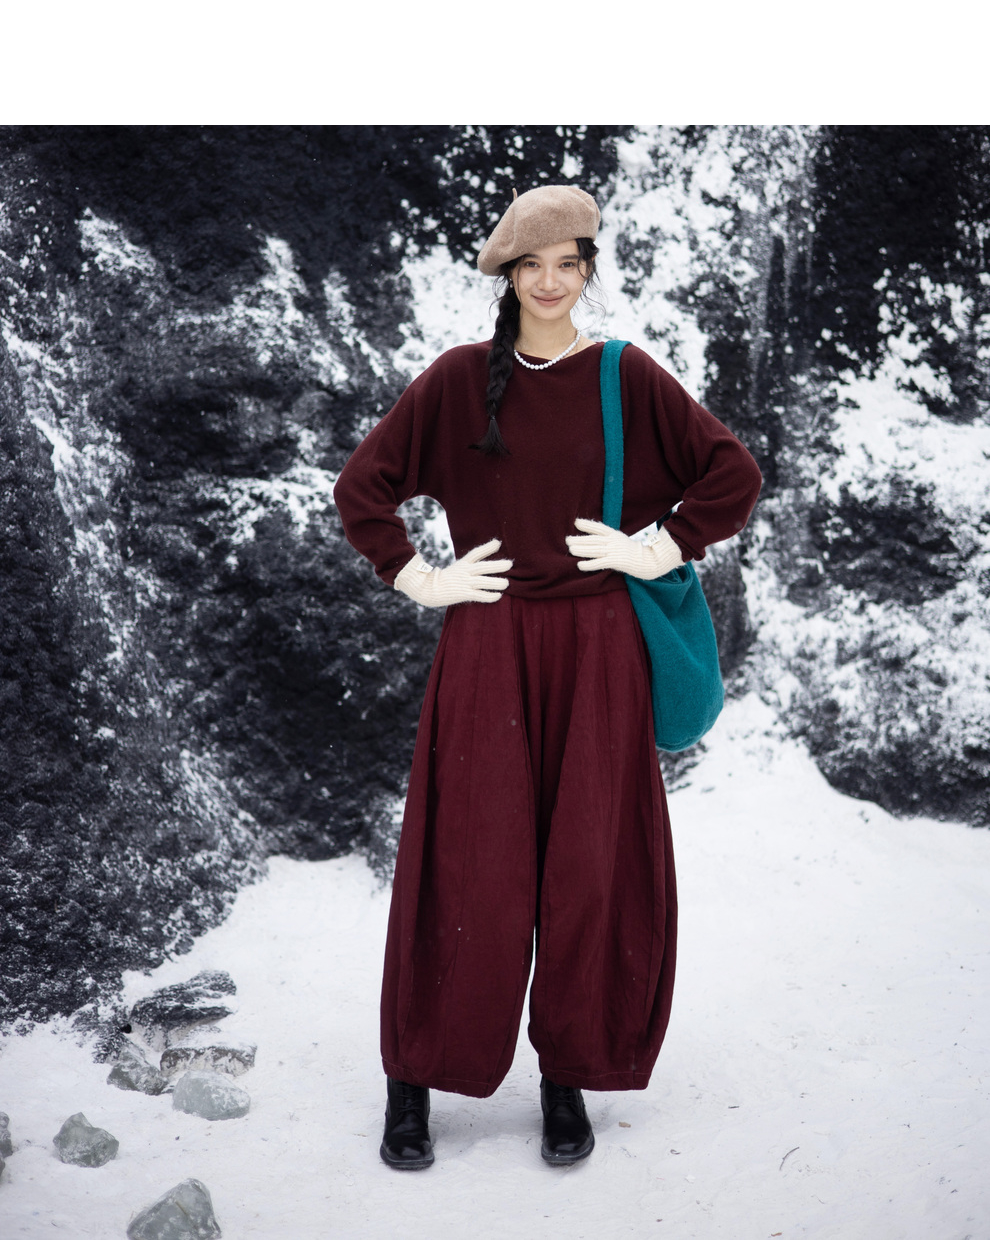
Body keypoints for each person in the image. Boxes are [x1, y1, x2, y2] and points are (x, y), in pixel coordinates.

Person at [333, 185, 762, 1170]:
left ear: (587, 270)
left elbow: (731, 473)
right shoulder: (457, 380)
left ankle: (565, 1074)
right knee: (466, 863)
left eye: (568, 263)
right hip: (488, 647)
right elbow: (364, 490)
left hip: (600, 652)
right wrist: (422, 579)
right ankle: (413, 1076)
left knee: (588, 868)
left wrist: (657, 548)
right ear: (509, 276)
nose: (551, 281)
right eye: (532, 265)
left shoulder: (624, 375)